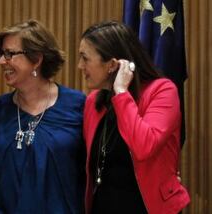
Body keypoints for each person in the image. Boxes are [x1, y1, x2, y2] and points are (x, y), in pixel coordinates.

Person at [78, 21, 190, 214]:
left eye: (85, 58)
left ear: (112, 65)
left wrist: (121, 92)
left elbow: (144, 146)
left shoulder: (162, 91)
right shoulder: (93, 101)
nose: (80, 66)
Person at [0, 19, 86, 213]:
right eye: (1, 54)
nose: (1, 61)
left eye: (9, 54)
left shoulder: (77, 105)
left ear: (36, 59)